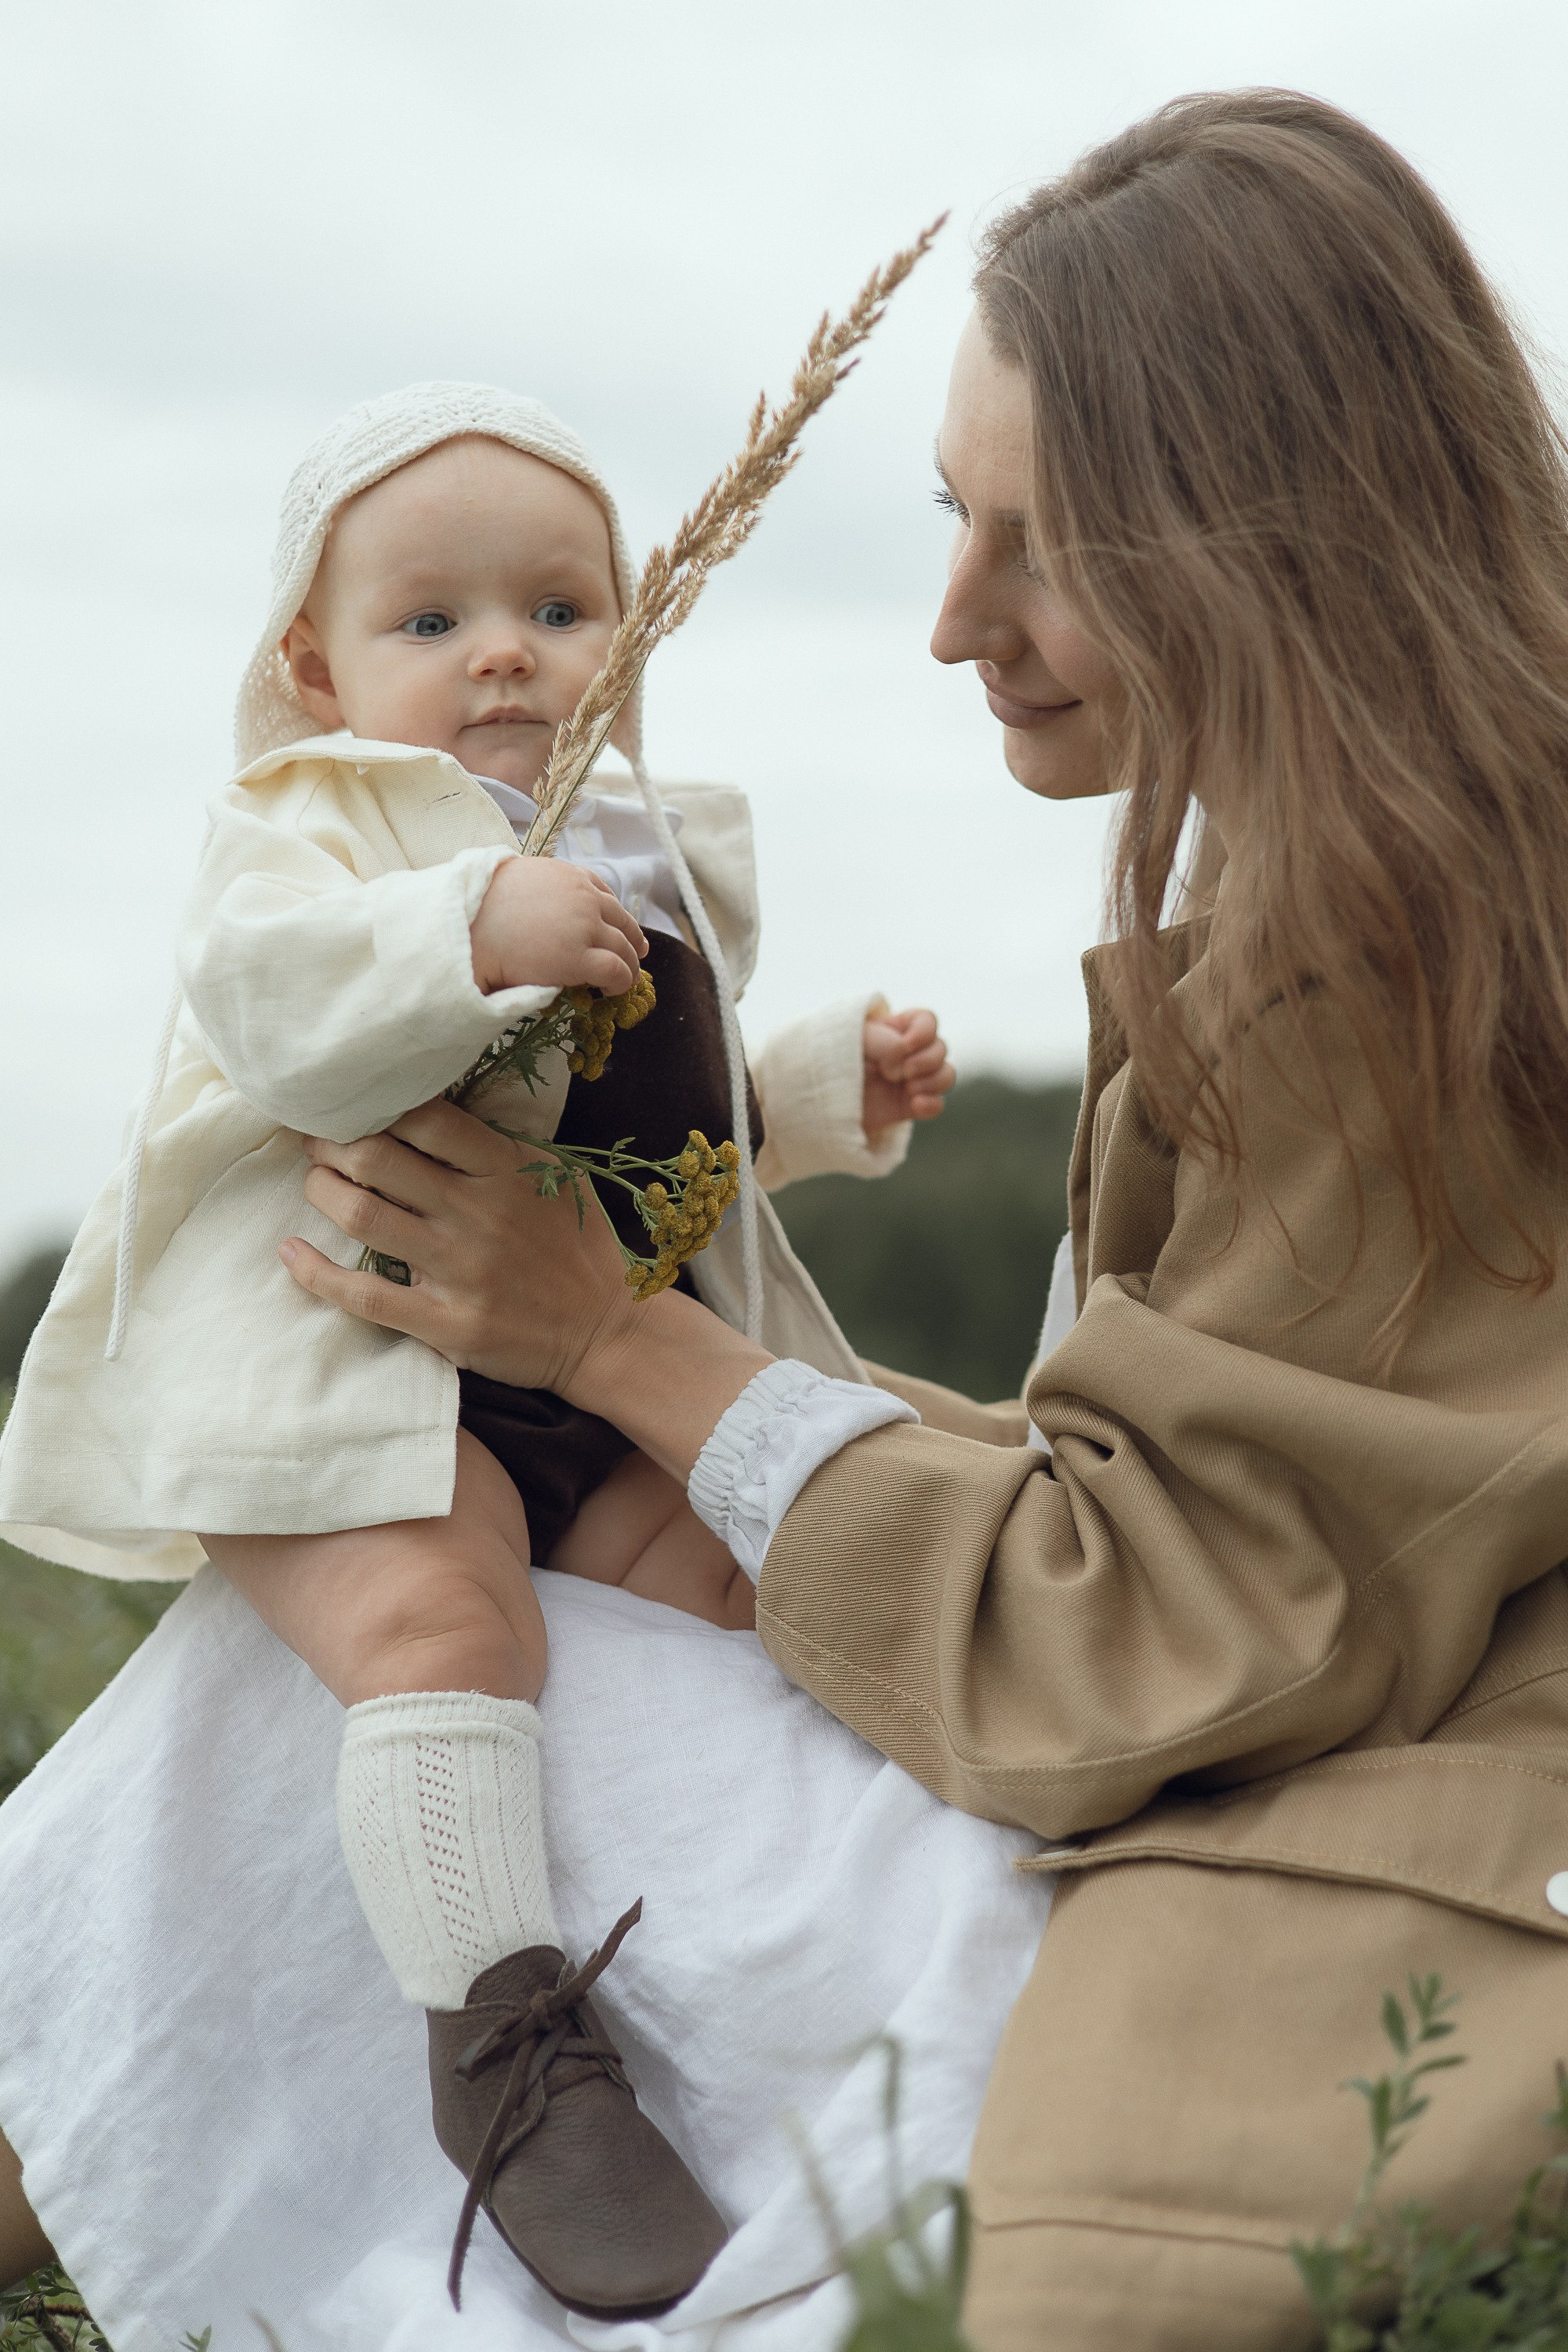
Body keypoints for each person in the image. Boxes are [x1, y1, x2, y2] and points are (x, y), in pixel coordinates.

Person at [231, 88, 1568, 2350]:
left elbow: (1143, 1627)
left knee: (333, 1702)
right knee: (411, 1611)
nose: (954, 623)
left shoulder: (1394, 965)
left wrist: (613, 1343)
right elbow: (1214, 1503)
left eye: (1046, 545)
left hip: (1365, 1847)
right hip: (1301, 1722)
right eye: (955, 519)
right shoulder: (1410, 879)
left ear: (1268, 543)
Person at [0, 383, 956, 2325]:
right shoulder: (309, 831)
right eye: (430, 622)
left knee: (733, 1575)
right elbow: (286, 1024)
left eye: (559, 606)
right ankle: (506, 2054)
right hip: (335, 1378)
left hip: (578, 1384)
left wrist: (811, 1091)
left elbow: (647, 1132)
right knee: (440, 1623)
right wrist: (465, 928)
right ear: (315, 662)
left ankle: (817, 1954)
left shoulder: (647, 850)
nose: (504, 651)